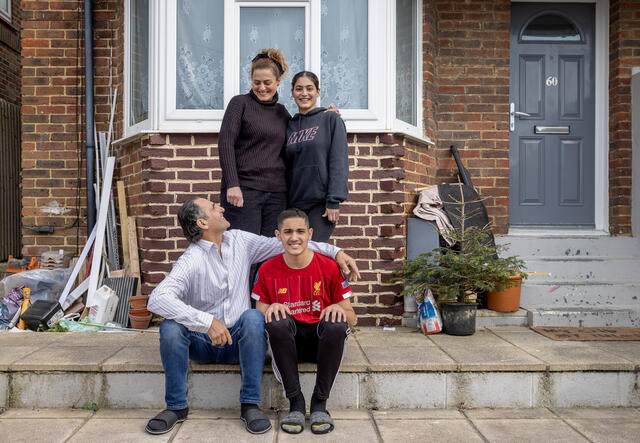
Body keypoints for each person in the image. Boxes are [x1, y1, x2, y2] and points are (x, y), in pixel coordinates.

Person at [145, 198, 360, 436]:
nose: (221, 208)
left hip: (238, 340)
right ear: (203, 222)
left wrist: (336, 251)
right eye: (214, 207)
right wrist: (206, 323)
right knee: (170, 328)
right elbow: (157, 299)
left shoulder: (239, 241)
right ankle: (176, 407)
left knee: (254, 317)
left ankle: (250, 405)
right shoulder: (191, 259)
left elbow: (288, 243)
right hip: (203, 341)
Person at [252, 208, 356, 435]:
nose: (294, 237)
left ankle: (320, 403)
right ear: (278, 236)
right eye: (287, 232)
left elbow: (352, 318)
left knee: (337, 322)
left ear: (310, 234)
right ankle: (296, 402)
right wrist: (271, 307)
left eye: (300, 231)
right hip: (288, 342)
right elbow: (259, 313)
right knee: (275, 321)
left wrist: (336, 308)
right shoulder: (267, 269)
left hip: (321, 342)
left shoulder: (329, 267)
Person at [218, 48, 291, 237]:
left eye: (267, 83)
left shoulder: (282, 113)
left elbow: (302, 132)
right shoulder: (239, 104)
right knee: (243, 251)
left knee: (270, 251)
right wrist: (232, 184)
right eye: (256, 83)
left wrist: (325, 117)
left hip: (277, 194)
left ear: (278, 82)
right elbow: (225, 144)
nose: (262, 88)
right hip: (244, 191)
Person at [284, 71, 349, 242]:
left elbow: (339, 161)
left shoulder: (330, 119)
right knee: (295, 254)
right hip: (294, 203)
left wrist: (334, 200)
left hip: (320, 204)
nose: (304, 93)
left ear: (318, 91)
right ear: (292, 92)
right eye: (299, 89)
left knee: (313, 249)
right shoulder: (289, 125)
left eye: (309, 88)